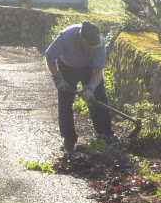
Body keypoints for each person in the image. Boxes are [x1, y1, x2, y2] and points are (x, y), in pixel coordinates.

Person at [44, 21, 114, 151]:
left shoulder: (99, 43)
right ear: (81, 38)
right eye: (89, 45)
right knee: (65, 102)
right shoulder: (66, 37)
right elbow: (49, 56)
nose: (93, 47)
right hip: (67, 67)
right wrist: (57, 77)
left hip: (89, 69)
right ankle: (68, 138)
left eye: (95, 45)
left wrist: (91, 88)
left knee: (98, 98)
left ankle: (105, 134)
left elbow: (98, 71)